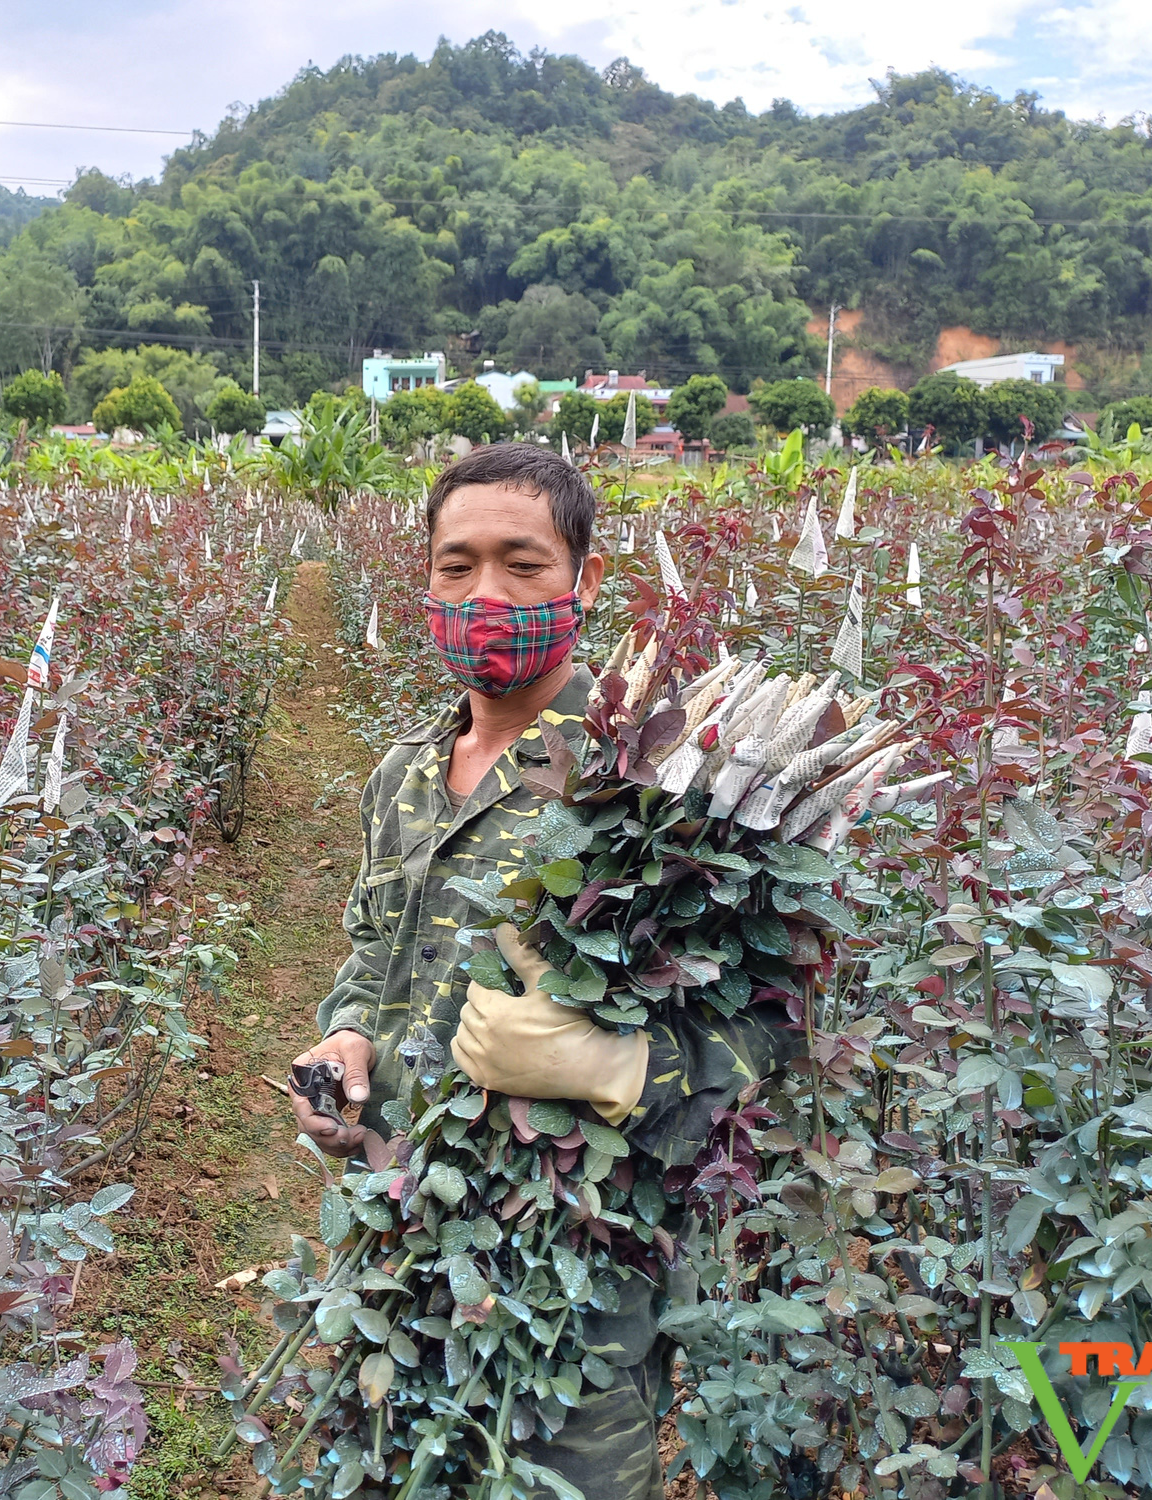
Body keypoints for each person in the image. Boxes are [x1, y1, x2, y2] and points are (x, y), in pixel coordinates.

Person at [288, 443, 800, 1500]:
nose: (484, 594)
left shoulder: (652, 789)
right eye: (454, 565)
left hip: (568, 1289)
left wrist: (616, 1065)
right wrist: (347, 1042)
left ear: (586, 579)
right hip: (396, 1242)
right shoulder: (402, 771)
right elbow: (369, 949)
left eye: (521, 564)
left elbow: (774, 1033)